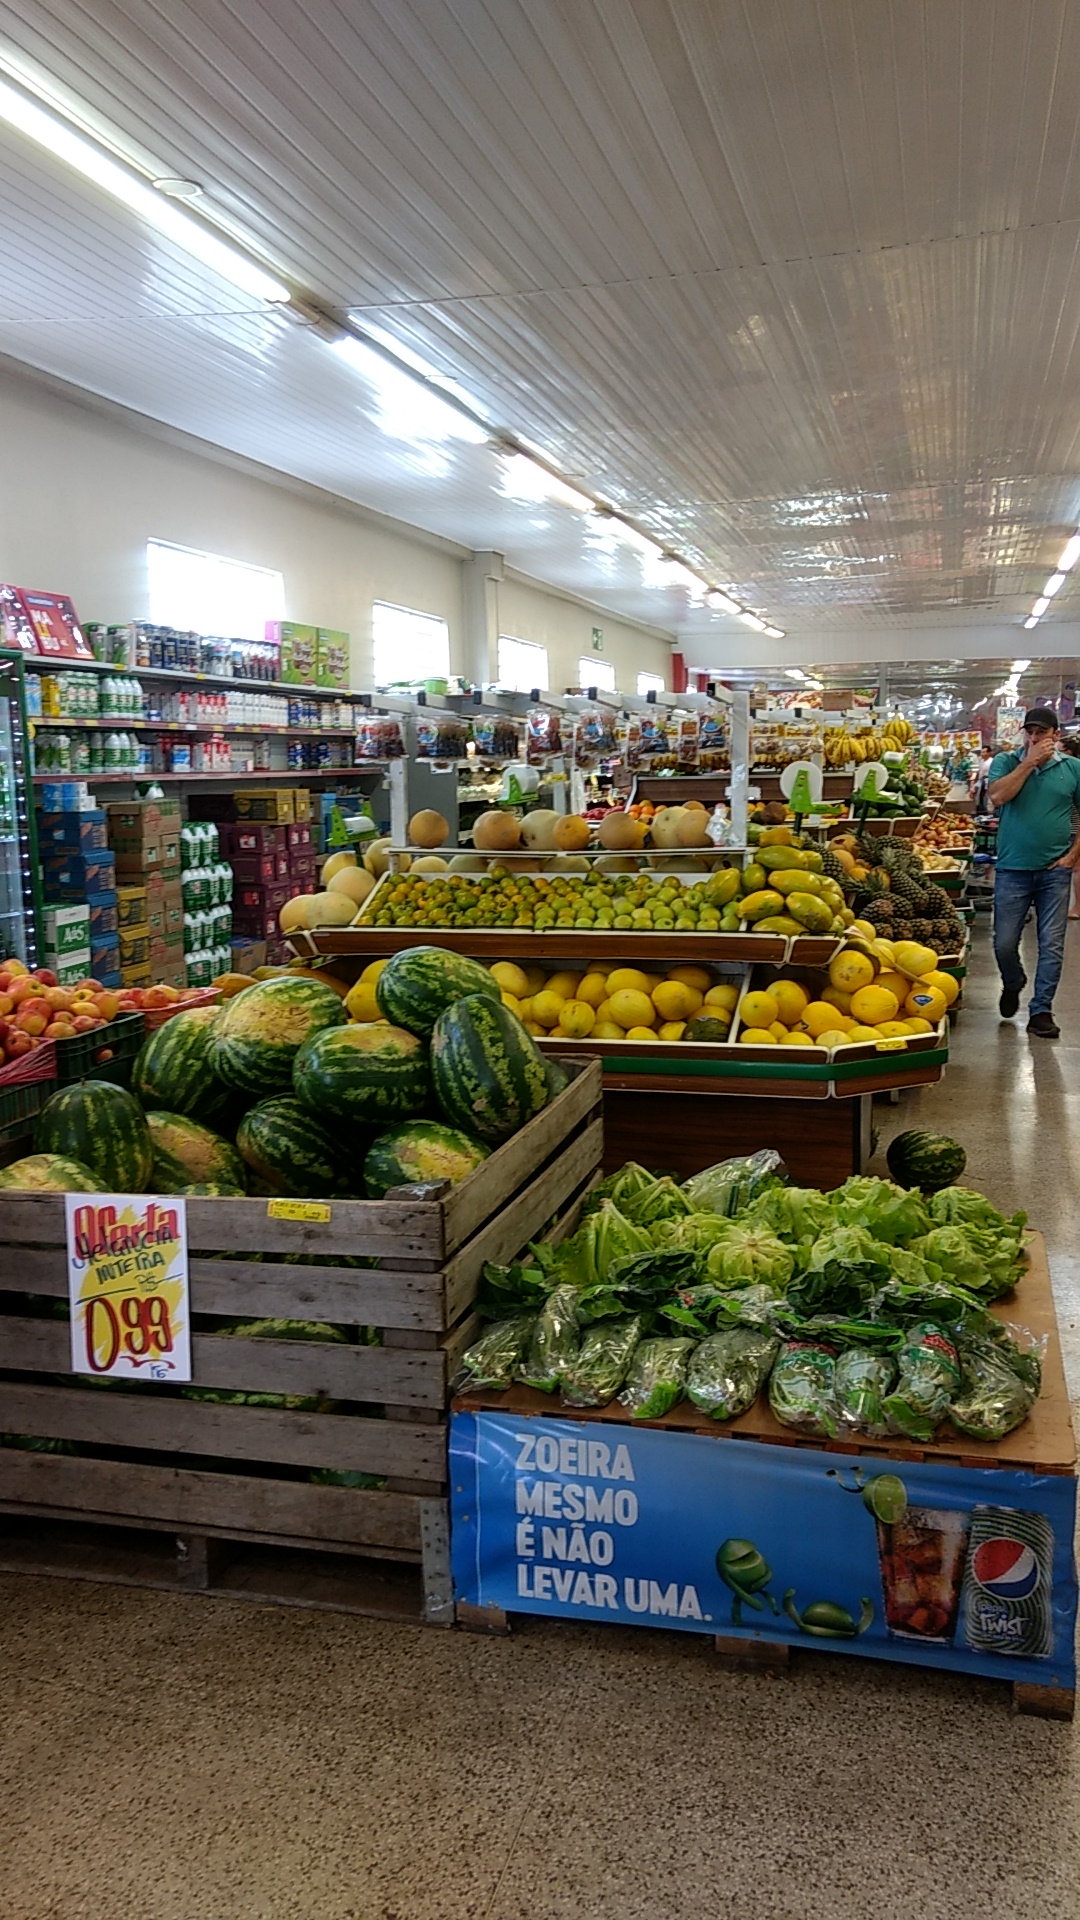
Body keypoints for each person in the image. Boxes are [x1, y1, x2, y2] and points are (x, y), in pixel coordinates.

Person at [987, 708, 1080, 1037]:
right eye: (1030, 732)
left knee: (1052, 943)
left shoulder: (1074, 769)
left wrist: (1072, 856)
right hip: (1012, 869)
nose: (1035, 737)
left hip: (1054, 871)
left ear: (1055, 735)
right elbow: (998, 796)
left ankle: (1042, 1010)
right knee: (1004, 943)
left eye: (1042, 732)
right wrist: (1028, 763)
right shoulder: (1007, 763)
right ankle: (1013, 981)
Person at [1062, 735, 1080, 920]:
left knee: (1077, 867)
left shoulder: (1073, 770)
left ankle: (1078, 906)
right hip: (1072, 824)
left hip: (1074, 825)